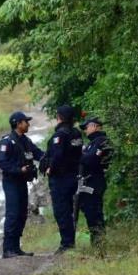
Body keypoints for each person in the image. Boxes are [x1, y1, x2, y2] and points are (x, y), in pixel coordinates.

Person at [0, 111, 44, 258]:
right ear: (18, 123)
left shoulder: (26, 141)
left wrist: (52, 158)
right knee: (13, 213)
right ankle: (8, 249)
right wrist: (19, 169)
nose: (28, 124)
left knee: (22, 214)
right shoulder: (7, 141)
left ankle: (16, 247)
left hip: (23, 182)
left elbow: (38, 153)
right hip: (11, 182)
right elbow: (2, 162)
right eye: (26, 122)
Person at [45, 105, 83, 253]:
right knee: (71, 209)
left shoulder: (60, 135)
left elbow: (57, 156)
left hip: (61, 178)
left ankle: (67, 243)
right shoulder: (76, 134)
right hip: (74, 175)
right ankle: (70, 241)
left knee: (62, 210)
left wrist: (50, 168)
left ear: (59, 117)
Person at [78, 117, 113, 246]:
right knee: (90, 213)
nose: (86, 131)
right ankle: (97, 243)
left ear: (94, 126)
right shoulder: (92, 143)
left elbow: (91, 160)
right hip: (89, 182)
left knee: (95, 213)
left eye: (86, 127)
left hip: (96, 182)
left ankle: (100, 243)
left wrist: (80, 156)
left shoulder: (102, 141)